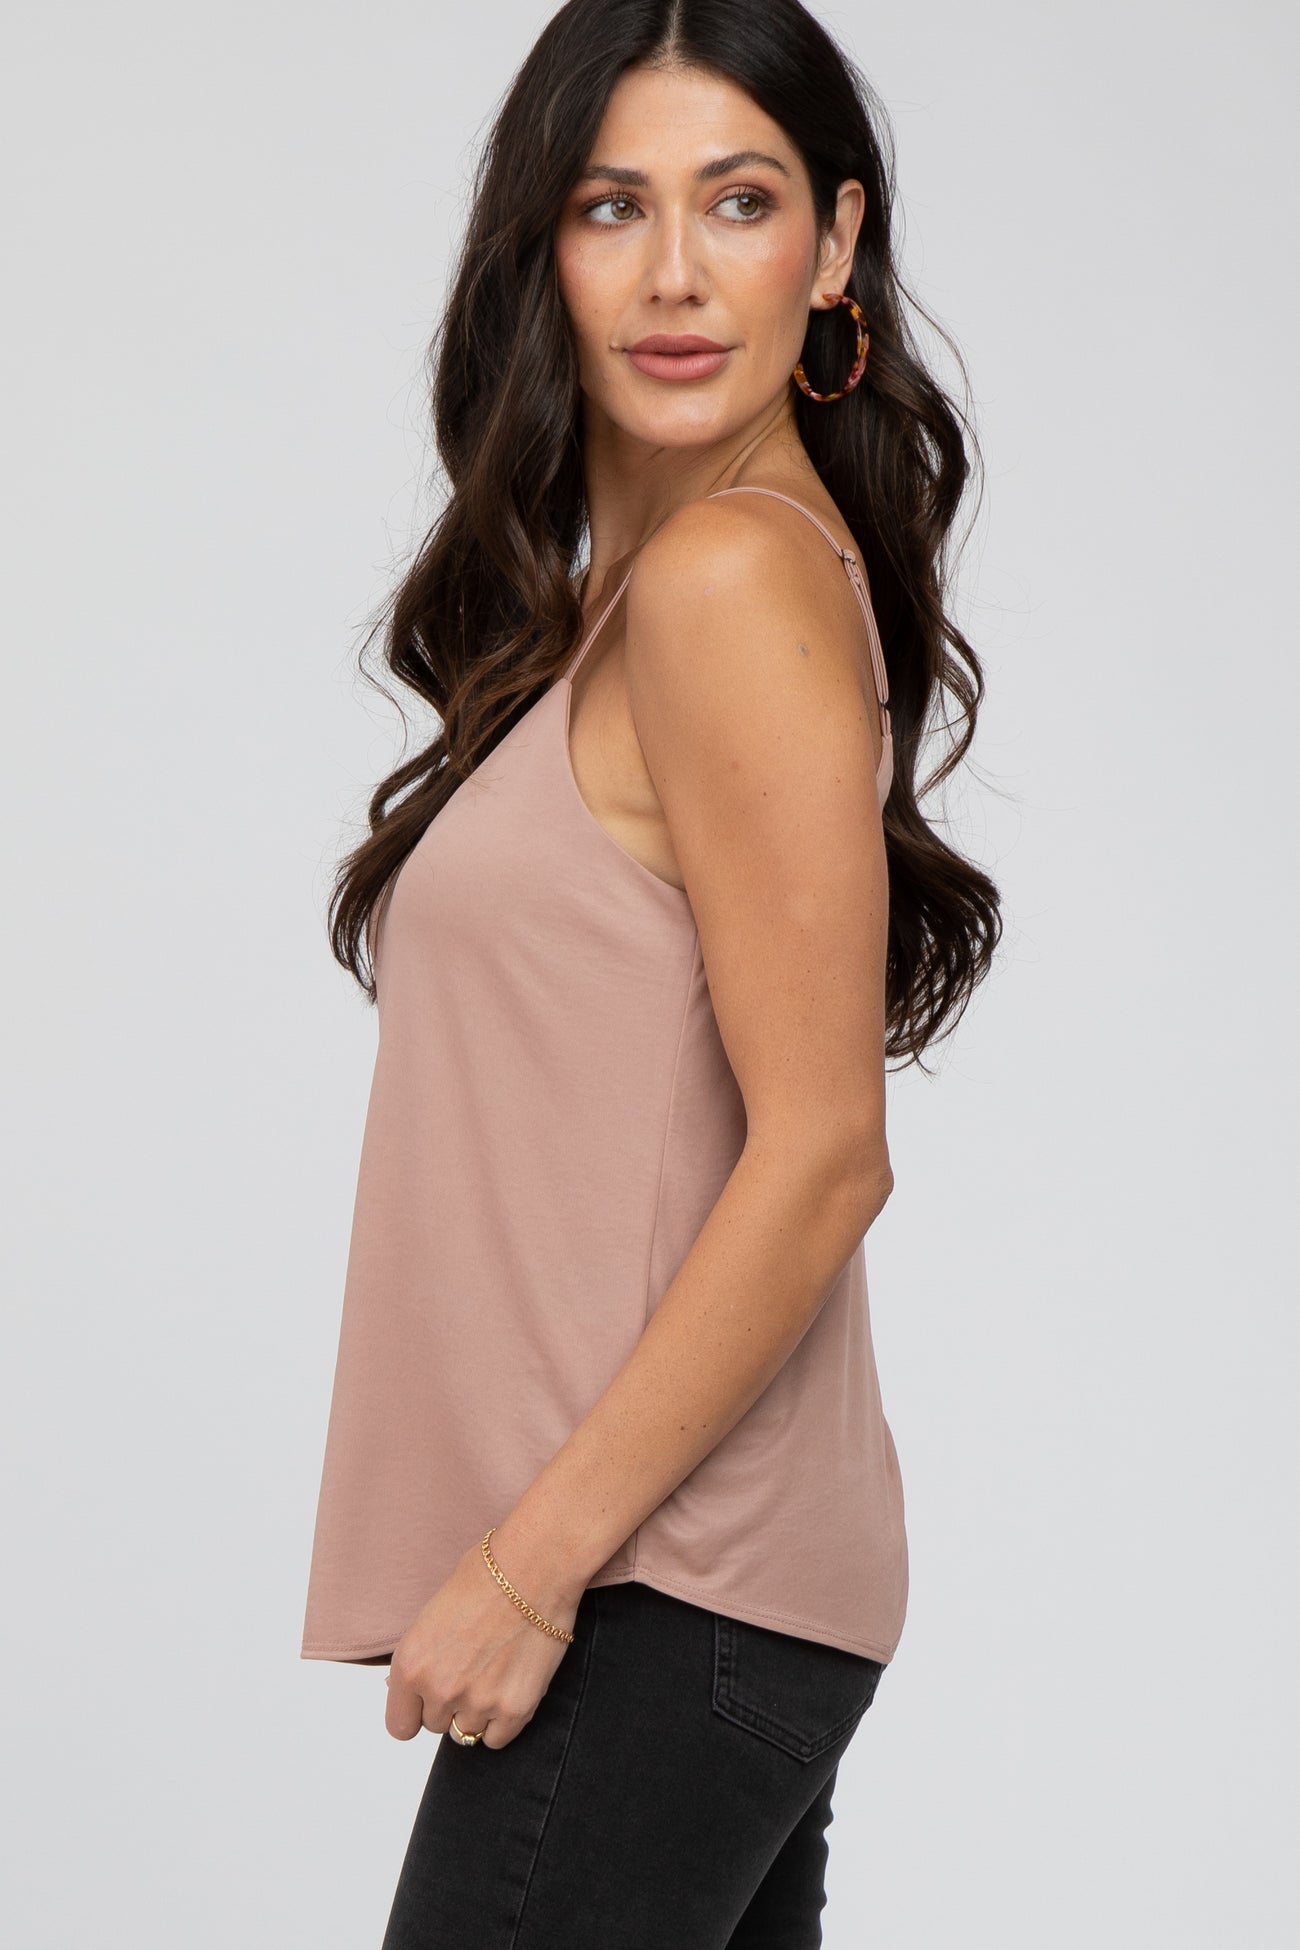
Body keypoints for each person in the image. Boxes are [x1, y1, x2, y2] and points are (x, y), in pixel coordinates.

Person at [300, 2, 1001, 1943]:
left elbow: (821, 1153)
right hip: (702, 1596)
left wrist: (527, 1566)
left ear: (834, 244)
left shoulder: (727, 581)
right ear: (542, 246)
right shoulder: (664, 590)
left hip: (655, 1587)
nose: (676, 271)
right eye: (614, 206)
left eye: (739, 201)